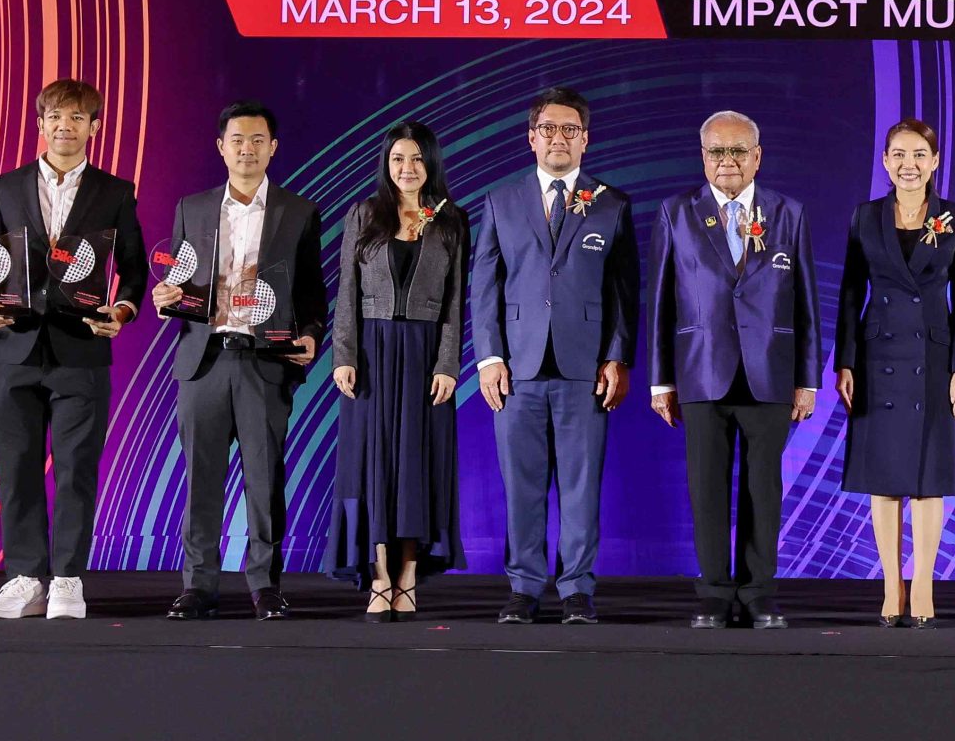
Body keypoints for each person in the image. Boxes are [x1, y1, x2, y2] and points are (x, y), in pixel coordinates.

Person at [0, 79, 145, 621]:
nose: (64, 126)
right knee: (16, 468)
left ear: (95, 127)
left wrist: (122, 310)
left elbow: (134, 269)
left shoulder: (115, 191)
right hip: (15, 347)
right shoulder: (5, 186)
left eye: (76, 117)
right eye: (54, 117)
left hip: (82, 349)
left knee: (76, 469)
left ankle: (68, 578)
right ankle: (25, 578)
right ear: (40, 124)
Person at [647, 111, 821, 628]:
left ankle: (759, 590)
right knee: (707, 488)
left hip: (770, 371)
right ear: (703, 158)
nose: (728, 161)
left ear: (757, 156)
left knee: (763, 489)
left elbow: (806, 302)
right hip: (701, 372)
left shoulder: (788, 213)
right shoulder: (676, 212)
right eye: (717, 151)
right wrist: (661, 379)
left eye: (739, 150)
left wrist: (807, 379)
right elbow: (660, 302)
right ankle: (715, 592)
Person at [471, 86, 638, 624]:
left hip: (584, 367)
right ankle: (523, 588)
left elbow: (623, 292)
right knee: (521, 487)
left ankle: (576, 591)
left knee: (580, 487)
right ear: (531, 138)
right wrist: (489, 358)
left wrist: (617, 356)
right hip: (515, 369)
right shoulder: (501, 201)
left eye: (569, 129)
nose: (558, 138)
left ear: (585, 139)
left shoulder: (611, 203)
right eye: (548, 129)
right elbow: (485, 286)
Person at [155, 103, 328, 619]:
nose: (246, 149)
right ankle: (197, 586)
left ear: (272, 147)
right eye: (237, 140)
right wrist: (166, 297)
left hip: (264, 361)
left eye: (257, 140)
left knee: (265, 479)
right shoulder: (192, 208)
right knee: (200, 479)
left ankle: (265, 585)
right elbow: (179, 280)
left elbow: (312, 292)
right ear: (221, 147)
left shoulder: (298, 212)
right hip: (203, 359)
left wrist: (311, 334)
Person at [834, 120, 955, 626]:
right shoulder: (866, 216)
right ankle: (891, 586)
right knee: (885, 476)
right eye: (898, 154)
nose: (908, 164)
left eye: (919, 154)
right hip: (877, 356)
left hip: (933, 357)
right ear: (885, 161)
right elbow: (851, 291)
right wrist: (845, 360)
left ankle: (924, 586)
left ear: (934, 162)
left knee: (928, 477)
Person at [329, 122, 467, 620]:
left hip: (425, 356)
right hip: (371, 353)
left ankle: (408, 576)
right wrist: (344, 356)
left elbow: (455, 301)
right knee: (374, 465)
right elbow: (346, 292)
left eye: (416, 158)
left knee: (417, 464)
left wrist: (447, 363)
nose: (407, 168)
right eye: (397, 159)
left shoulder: (452, 221)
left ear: (431, 162)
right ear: (386, 164)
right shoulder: (364, 214)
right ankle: (380, 576)